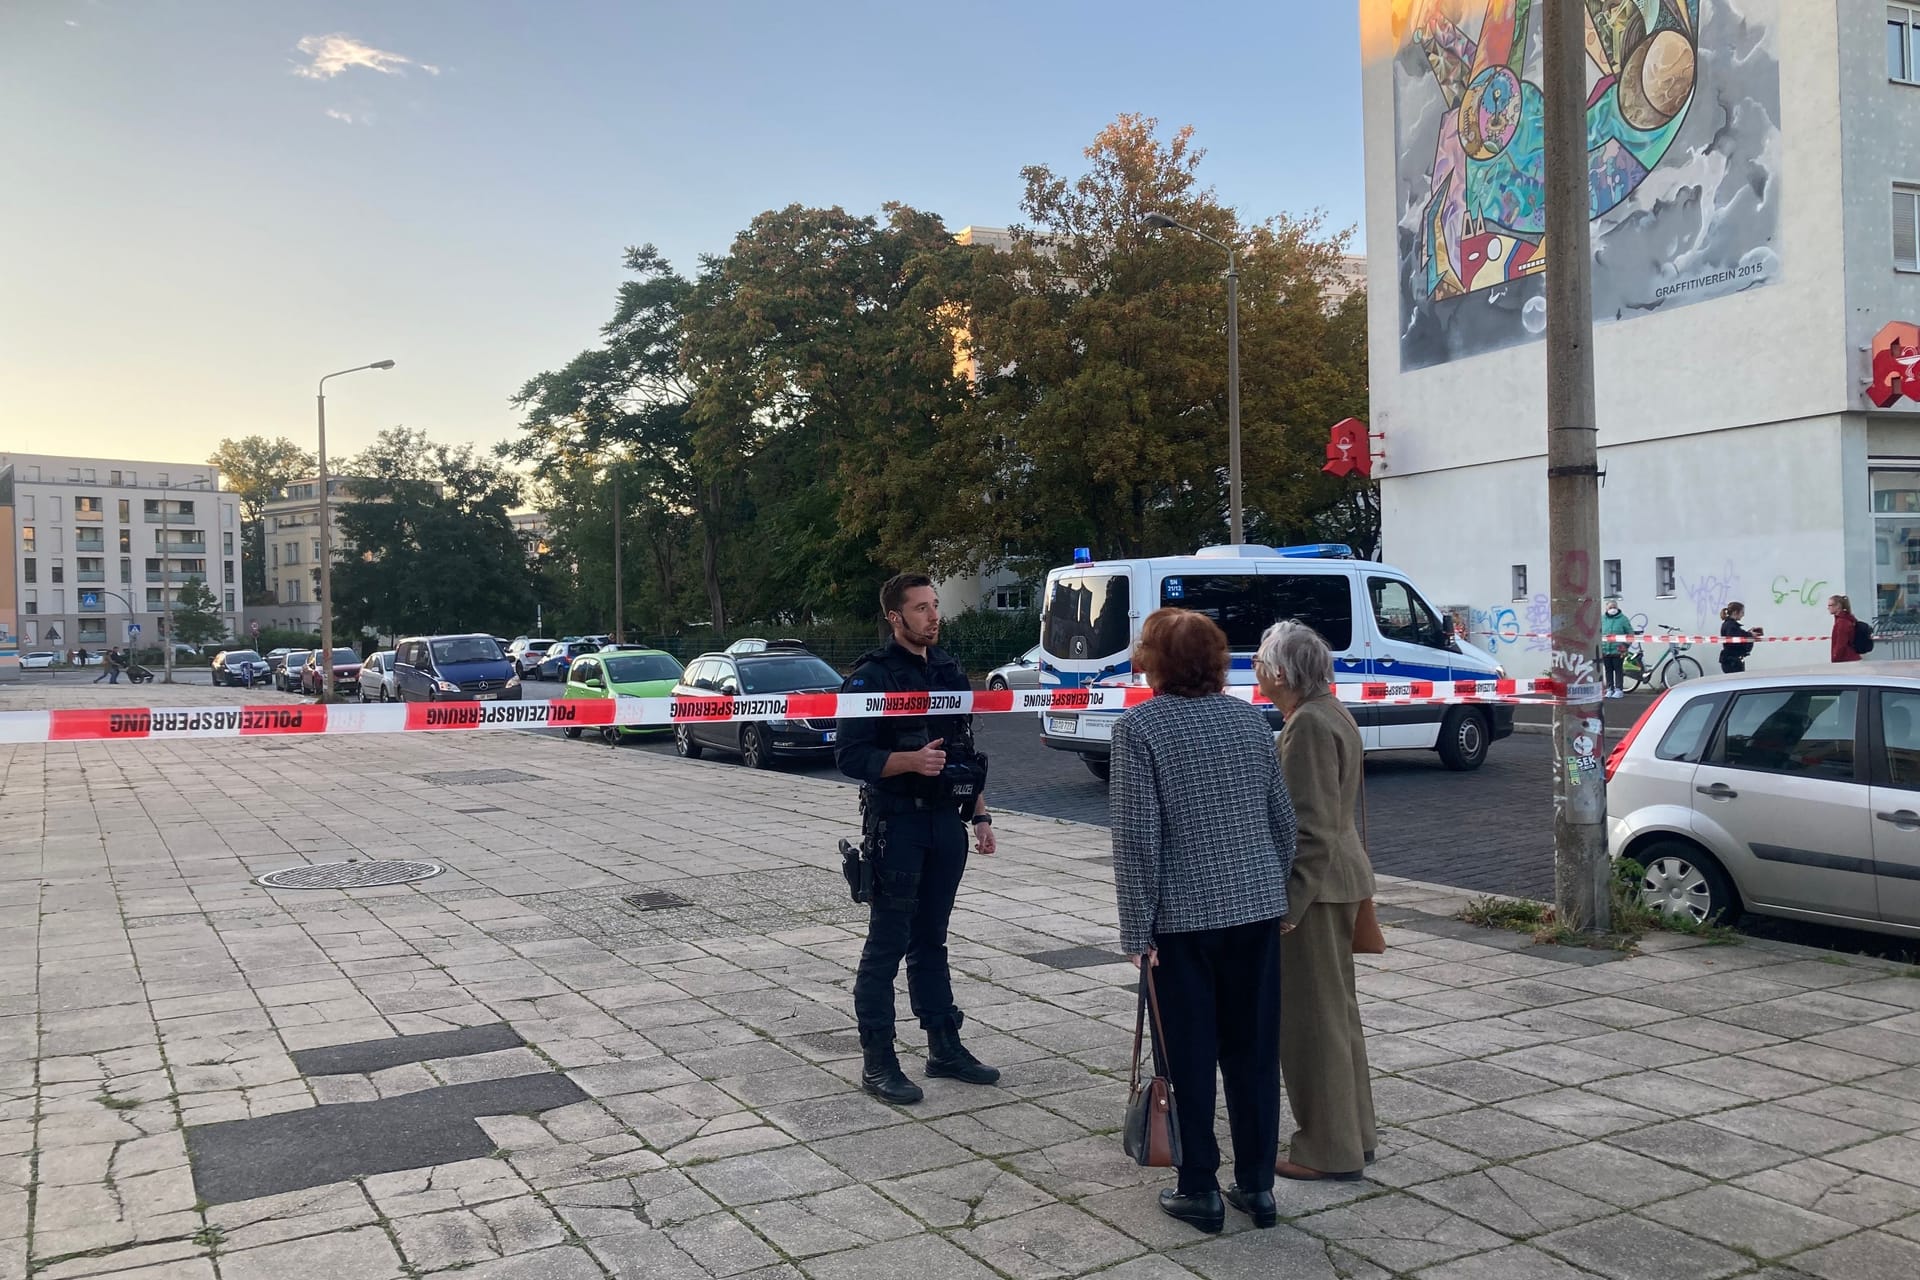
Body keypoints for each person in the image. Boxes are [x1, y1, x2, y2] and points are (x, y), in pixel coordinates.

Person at [1111, 608, 1296, 1234]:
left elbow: (1139, 841)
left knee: (1187, 1056)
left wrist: (1137, 931)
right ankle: (1258, 1187)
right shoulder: (1252, 721)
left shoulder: (1139, 729)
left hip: (1180, 923)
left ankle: (1199, 1190)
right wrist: (1270, 890)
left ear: (1155, 662)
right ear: (1217, 660)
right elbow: (1282, 824)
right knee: (1252, 1051)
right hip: (1255, 913)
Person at [836, 573, 999, 1106]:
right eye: (921, 608)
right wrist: (908, 761)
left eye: (935, 606)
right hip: (897, 826)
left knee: (932, 939)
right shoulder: (871, 678)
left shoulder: (950, 669)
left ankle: (944, 1046)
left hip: (945, 825)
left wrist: (979, 814)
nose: (933, 616)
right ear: (895, 617)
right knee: (886, 945)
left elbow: (963, 748)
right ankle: (878, 1061)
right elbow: (849, 756)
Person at [1256, 620, 1378, 1182]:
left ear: (1281, 671)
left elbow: (1311, 826)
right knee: (1338, 1017)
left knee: (1312, 1026)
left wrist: (1289, 903)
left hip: (1318, 890)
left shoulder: (1306, 724)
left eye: (1261, 660)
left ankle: (1327, 1148)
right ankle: (1356, 1136)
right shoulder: (1330, 712)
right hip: (1341, 882)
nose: (1256, 670)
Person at [1600, 600, 1633, 698]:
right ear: (1606, 609)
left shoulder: (1623, 619)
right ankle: (1610, 689)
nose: (1612, 609)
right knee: (1608, 670)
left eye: (1614, 607)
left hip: (1618, 650)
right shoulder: (1602, 619)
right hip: (1606, 649)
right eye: (1610, 608)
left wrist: (1625, 645)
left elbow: (1630, 633)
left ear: (1617, 608)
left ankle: (1619, 689)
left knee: (1618, 670)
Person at [1719, 603, 1761, 674]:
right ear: (1735, 612)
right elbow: (1736, 638)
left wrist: (1749, 634)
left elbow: (1738, 635)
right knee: (1735, 682)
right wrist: (1750, 634)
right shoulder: (1731, 625)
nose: (1743, 615)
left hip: (1732, 660)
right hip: (1732, 661)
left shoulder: (1730, 625)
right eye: (1742, 612)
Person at [1829, 594, 1863, 663]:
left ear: (1838, 606)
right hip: (1848, 659)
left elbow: (1841, 644)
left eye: (1830, 605)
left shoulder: (1842, 622)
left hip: (1846, 660)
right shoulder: (1843, 620)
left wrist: (1835, 658)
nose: (1828, 608)